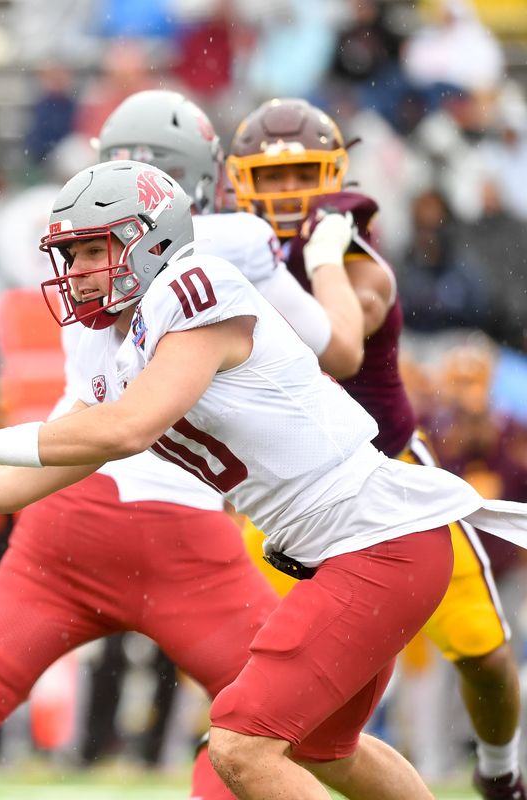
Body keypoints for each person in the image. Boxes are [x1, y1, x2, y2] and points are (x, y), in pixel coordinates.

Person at [0, 160, 527, 800]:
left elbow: (126, 430)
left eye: (92, 250)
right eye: (70, 254)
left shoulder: (197, 286)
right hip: (359, 551)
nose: (77, 270)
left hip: (381, 542)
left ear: (154, 238)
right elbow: (20, 485)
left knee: (242, 746)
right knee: (322, 751)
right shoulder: (124, 344)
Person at [0, 89, 339, 799]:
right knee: (277, 716)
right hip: (180, 528)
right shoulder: (226, 246)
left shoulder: (88, 249)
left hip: (67, 513)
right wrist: (317, 250)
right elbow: (336, 346)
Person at [227, 96, 525, 800]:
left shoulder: (352, 261)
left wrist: (318, 259)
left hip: (391, 485)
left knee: (483, 654)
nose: (286, 193)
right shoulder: (230, 257)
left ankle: (500, 771)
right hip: (290, 510)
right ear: (239, 182)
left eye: (301, 174)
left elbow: (337, 345)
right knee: (293, 727)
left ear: (331, 173)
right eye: (270, 179)